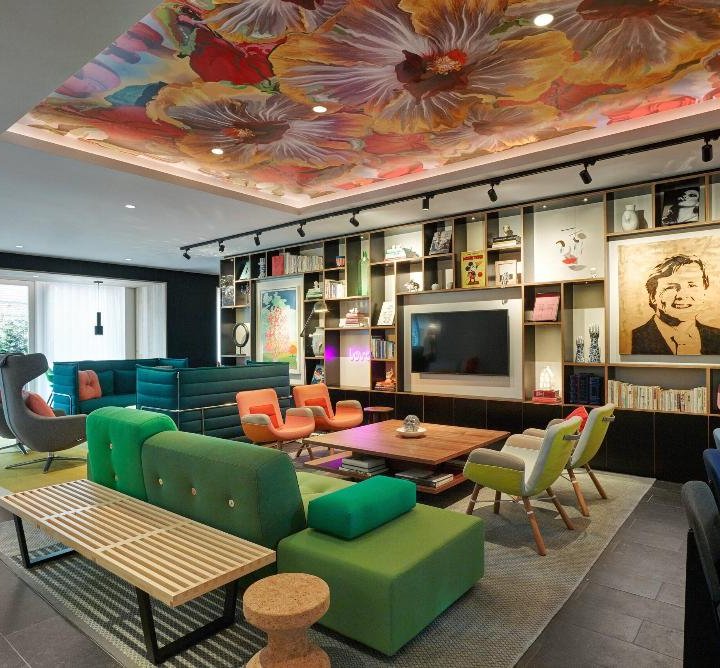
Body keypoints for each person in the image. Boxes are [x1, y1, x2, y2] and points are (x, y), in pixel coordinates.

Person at [631, 254, 720, 354]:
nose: (682, 295)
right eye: (670, 287)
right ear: (653, 297)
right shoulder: (633, 339)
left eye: (692, 285)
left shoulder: (717, 338)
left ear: (704, 292)